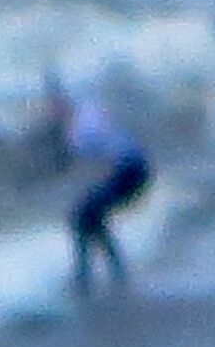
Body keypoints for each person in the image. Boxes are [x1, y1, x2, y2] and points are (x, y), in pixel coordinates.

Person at [42, 78, 150, 296]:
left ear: (63, 105)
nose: (50, 112)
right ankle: (112, 273)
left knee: (82, 216)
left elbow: (105, 152)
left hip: (131, 172)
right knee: (87, 217)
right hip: (127, 171)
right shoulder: (78, 123)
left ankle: (88, 277)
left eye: (53, 107)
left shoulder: (84, 124)